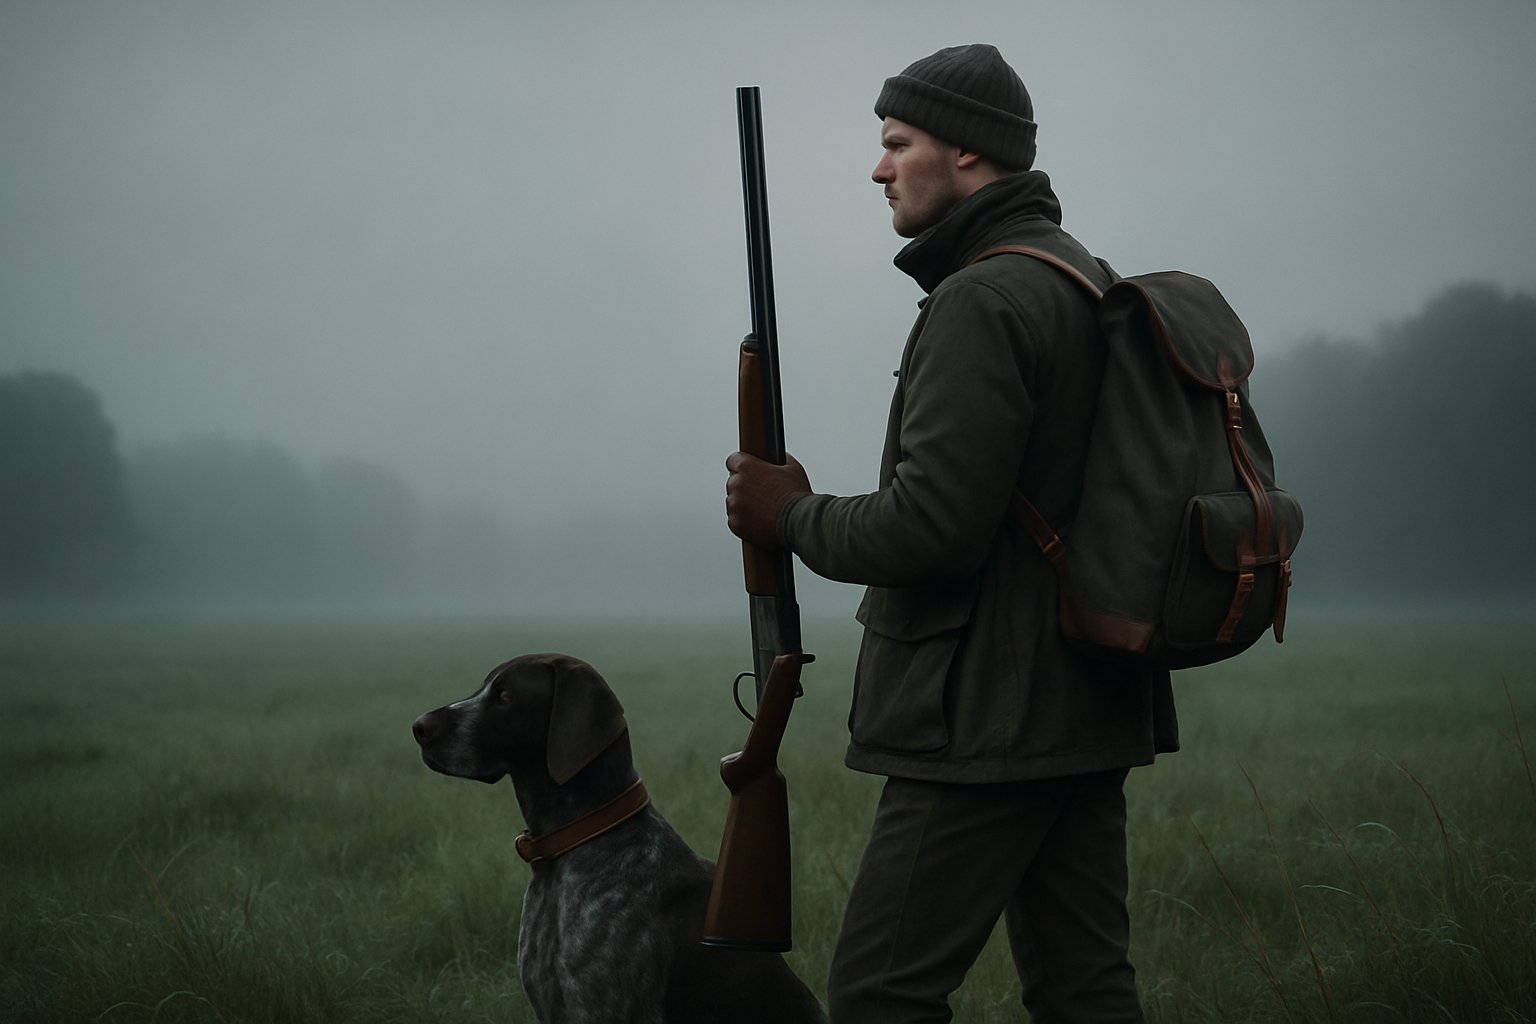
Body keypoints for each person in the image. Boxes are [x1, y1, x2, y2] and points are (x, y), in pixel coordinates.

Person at [725, 44, 1179, 1024]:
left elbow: (931, 530)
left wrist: (789, 516)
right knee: (1085, 989)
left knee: (880, 991)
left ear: (968, 154)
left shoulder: (982, 298)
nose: (879, 168)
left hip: (987, 716)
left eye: (897, 143)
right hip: (1084, 699)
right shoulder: (1076, 276)